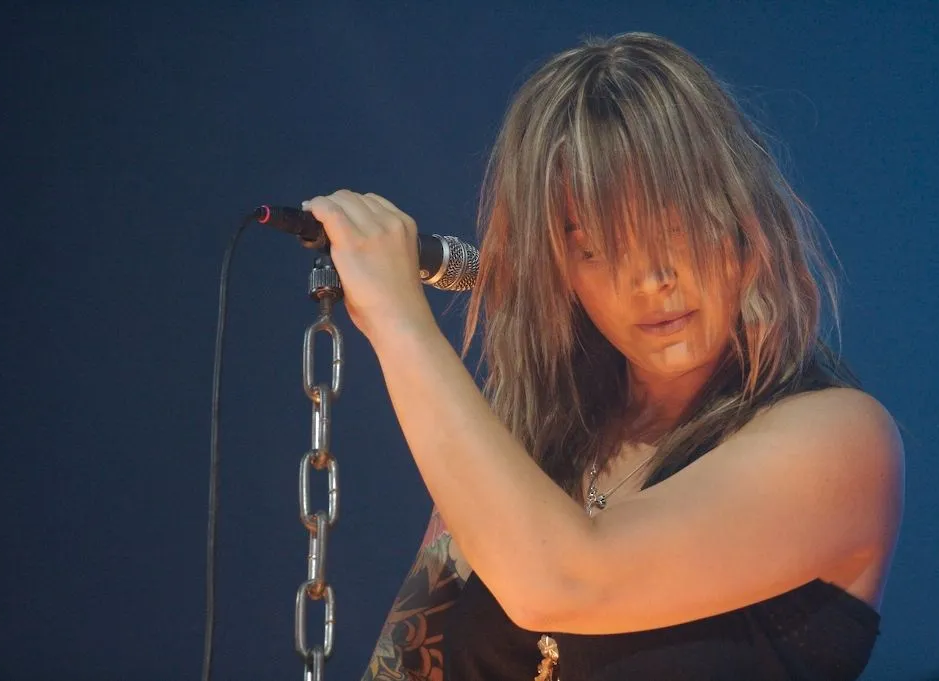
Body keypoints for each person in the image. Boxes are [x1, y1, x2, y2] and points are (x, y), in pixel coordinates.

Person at [302, 32, 904, 681]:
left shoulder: (837, 439)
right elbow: (406, 664)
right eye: (595, 247)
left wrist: (398, 321)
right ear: (559, 268)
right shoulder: (533, 440)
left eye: (672, 228)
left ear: (741, 220)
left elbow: (561, 581)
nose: (648, 277)